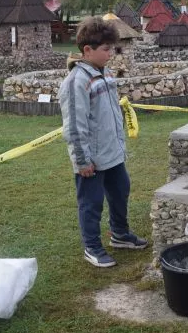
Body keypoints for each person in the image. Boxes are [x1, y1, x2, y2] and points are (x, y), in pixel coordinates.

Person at [58, 16, 148, 268]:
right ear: (87, 50)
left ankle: (120, 234)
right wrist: (82, 160)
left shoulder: (104, 73)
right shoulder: (77, 81)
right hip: (92, 160)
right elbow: (75, 125)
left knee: (121, 190)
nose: (111, 54)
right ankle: (92, 247)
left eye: (112, 48)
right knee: (91, 203)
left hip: (112, 153)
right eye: (106, 49)